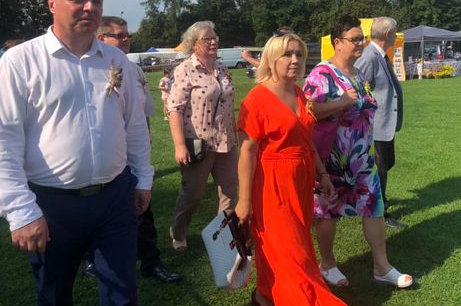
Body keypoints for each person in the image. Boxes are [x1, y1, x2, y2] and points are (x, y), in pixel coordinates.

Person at [0, 0, 153, 305]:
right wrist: (21, 210)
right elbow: (4, 140)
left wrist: (143, 178)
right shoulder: (20, 62)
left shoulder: (117, 60)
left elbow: (134, 125)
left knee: (123, 294)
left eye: (96, 0)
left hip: (115, 198)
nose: (89, 7)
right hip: (52, 204)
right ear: (51, 3)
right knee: (55, 295)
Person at [235, 32, 346, 306]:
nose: (295, 60)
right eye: (287, 54)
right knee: (289, 249)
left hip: (301, 182)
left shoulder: (299, 93)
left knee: (295, 245)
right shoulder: (256, 99)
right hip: (272, 185)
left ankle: (265, 295)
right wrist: (244, 201)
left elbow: (306, 140)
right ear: (272, 58)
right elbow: (247, 152)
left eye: (299, 54)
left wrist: (322, 174)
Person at [304, 16, 413, 289]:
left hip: (362, 158)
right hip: (332, 161)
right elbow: (307, 112)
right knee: (328, 211)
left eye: (361, 38)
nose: (360, 43)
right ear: (337, 43)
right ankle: (328, 264)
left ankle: (382, 267)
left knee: (374, 207)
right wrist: (340, 103)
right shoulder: (322, 74)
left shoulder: (357, 73)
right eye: (354, 39)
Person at [77, 16, 179, 283]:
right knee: (94, 214)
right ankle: (90, 258)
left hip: (131, 156)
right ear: (101, 38)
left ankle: (151, 262)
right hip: (102, 159)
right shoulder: (89, 69)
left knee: (143, 211)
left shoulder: (134, 70)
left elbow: (143, 116)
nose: (125, 40)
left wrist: (143, 150)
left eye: (127, 35)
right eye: (118, 36)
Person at [168, 21, 238, 251]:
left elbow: (228, 102)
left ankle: (223, 236)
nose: (213, 42)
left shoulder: (222, 67)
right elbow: (175, 109)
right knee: (193, 194)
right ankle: (178, 232)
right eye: (207, 39)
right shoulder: (185, 70)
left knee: (230, 192)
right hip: (199, 143)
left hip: (227, 141)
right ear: (194, 44)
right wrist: (180, 145)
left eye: (214, 37)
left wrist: (235, 133)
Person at [356, 17, 406, 229]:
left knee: (387, 163)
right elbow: (356, 85)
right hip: (375, 125)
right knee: (381, 167)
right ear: (387, 35)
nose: (396, 37)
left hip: (384, 123)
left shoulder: (379, 55)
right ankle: (380, 211)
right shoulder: (369, 56)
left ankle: (376, 199)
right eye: (395, 33)